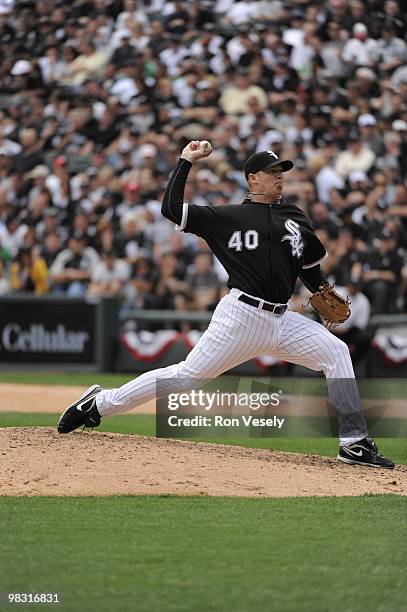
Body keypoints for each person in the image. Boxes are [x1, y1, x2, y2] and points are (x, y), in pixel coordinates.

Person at [58, 141, 395, 469]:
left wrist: (321, 289)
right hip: (241, 318)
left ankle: (353, 443)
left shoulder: (295, 216)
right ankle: (99, 404)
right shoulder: (227, 217)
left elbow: (309, 268)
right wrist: (185, 161)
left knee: (336, 353)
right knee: (186, 378)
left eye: (282, 170)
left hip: (282, 320)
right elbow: (171, 209)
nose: (279, 176)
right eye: (271, 171)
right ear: (252, 178)